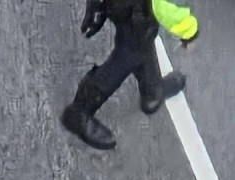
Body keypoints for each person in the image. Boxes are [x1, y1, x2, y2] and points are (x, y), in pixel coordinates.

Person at [61, 0, 199, 151]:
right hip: (136, 18)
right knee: (120, 65)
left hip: (127, 12)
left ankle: (152, 93)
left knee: (143, 50)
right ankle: (79, 111)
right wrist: (190, 31)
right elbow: (163, 8)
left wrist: (97, 6)